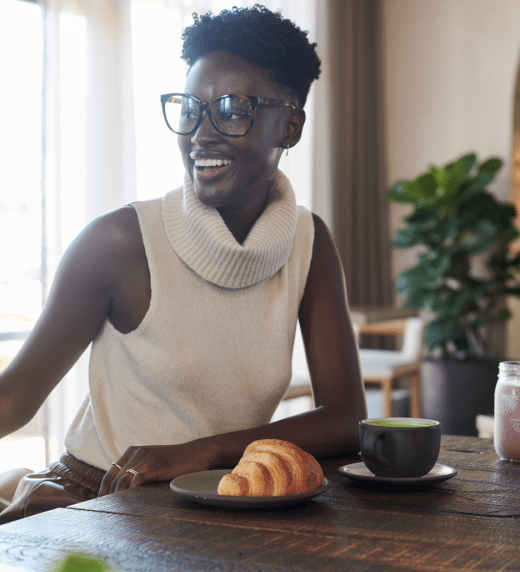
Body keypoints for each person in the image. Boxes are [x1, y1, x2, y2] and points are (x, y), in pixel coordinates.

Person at [0, 4, 366, 523]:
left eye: (232, 108)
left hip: (221, 506)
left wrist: (205, 452)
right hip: (94, 502)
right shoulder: (121, 242)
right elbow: (12, 400)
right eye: (190, 108)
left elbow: (347, 418)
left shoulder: (309, 243)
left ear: (290, 126)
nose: (201, 133)